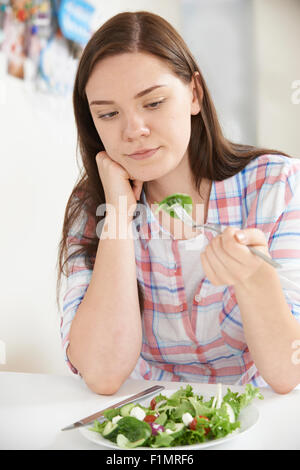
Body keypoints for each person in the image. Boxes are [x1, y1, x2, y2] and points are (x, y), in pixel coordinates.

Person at [57, 11, 300, 395]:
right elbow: (102, 374)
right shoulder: (94, 206)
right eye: (108, 113)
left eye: (152, 103)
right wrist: (118, 214)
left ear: (194, 94)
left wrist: (255, 278)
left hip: (253, 420)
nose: (134, 130)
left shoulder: (277, 184)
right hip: (148, 421)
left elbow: (288, 373)